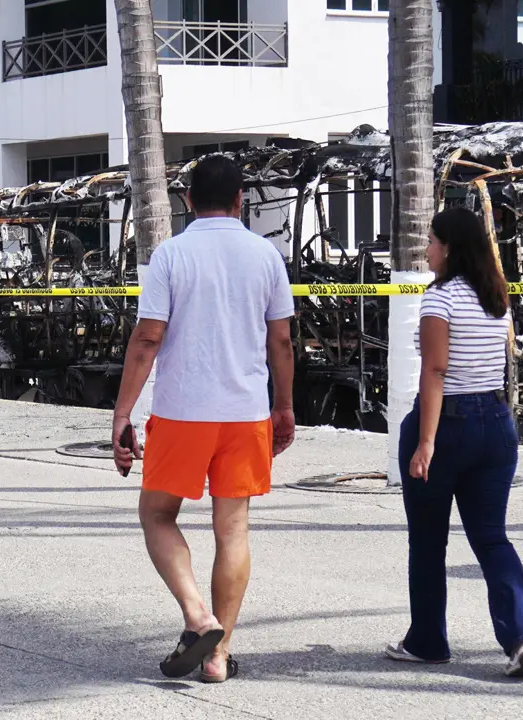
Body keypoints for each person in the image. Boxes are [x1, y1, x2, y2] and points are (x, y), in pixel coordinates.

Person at [112, 155, 296, 683]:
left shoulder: (171, 255)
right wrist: (283, 406)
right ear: (241, 200)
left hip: (183, 411)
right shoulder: (266, 256)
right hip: (244, 413)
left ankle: (197, 615)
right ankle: (218, 657)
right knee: (232, 529)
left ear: (187, 200)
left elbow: (148, 338)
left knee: (157, 515)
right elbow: (280, 340)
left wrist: (122, 413)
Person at [383, 208, 523, 677]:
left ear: (449, 246)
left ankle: (428, 641)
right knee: (492, 537)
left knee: (429, 541)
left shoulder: (440, 300)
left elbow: (435, 372)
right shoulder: (496, 297)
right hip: (495, 423)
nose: (426, 249)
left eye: (431, 241)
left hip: (447, 423)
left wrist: (425, 443)